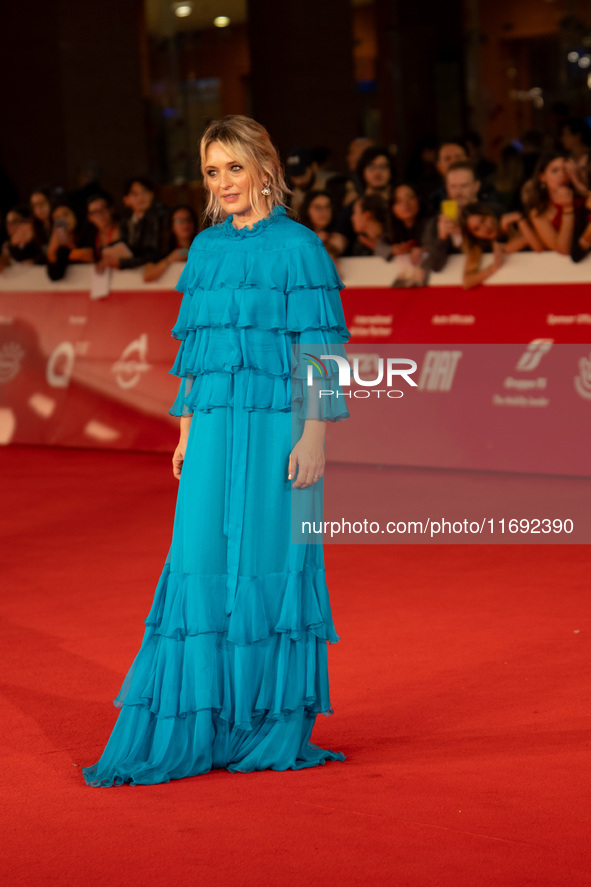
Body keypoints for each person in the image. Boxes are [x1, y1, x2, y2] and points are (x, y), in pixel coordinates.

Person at [81, 114, 350, 787]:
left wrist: (316, 432)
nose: (224, 182)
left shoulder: (301, 248)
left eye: (234, 167)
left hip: (278, 428)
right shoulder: (203, 250)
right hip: (214, 427)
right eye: (211, 171)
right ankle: (200, 722)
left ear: (265, 166)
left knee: (269, 565)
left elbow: (321, 350)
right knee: (198, 560)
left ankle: (264, 722)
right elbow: (195, 351)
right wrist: (184, 431)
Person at [460, 202, 543, 289]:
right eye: (476, 229)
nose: (485, 228)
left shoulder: (511, 221)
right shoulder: (477, 246)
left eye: (484, 220)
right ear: (473, 235)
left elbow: (538, 247)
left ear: (490, 213)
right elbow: (467, 282)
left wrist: (520, 219)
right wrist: (493, 267)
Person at [422, 160, 481, 271]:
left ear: (476, 186)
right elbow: (433, 266)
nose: (458, 192)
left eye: (464, 186)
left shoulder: (492, 214)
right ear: (446, 188)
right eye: (453, 186)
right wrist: (442, 238)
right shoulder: (436, 222)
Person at [102, 176, 169, 270]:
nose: (140, 197)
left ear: (152, 195)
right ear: (126, 200)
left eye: (144, 192)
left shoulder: (161, 216)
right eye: (135, 194)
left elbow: (155, 253)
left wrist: (124, 263)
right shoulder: (126, 220)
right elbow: (125, 245)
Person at [526, 152, 580, 254]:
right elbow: (563, 249)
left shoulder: (582, 200)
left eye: (565, 169)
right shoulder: (539, 211)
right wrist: (567, 209)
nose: (562, 175)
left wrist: (580, 185)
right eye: (555, 171)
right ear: (542, 177)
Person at [143, 204, 198, 282]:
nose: (185, 224)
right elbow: (147, 276)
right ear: (171, 225)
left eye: (189, 220)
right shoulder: (162, 250)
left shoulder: (204, 247)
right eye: (180, 221)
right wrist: (171, 259)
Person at [299, 190, 346, 261]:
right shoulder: (298, 235)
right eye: (317, 207)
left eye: (327, 207)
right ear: (306, 210)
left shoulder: (338, 235)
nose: (324, 212)